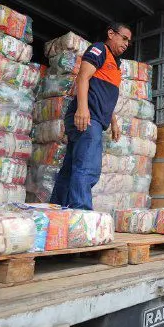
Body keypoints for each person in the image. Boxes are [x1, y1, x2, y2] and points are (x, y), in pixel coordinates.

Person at [50, 22, 128, 209]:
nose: (126, 44)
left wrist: (114, 121)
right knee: (87, 167)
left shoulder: (115, 65)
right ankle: (81, 211)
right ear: (111, 33)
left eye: (129, 42)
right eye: (124, 38)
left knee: (71, 167)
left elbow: (105, 96)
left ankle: (55, 208)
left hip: (93, 118)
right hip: (87, 117)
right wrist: (82, 109)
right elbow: (83, 77)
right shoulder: (99, 50)